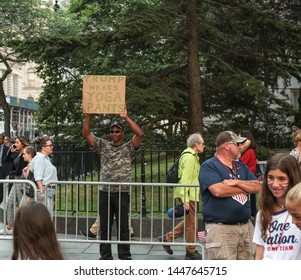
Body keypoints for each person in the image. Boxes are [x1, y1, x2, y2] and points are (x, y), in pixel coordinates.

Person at [82, 107, 143, 260]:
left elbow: (140, 134)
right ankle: (105, 256)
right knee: (105, 226)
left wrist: (126, 117)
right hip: (105, 192)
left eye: (117, 131)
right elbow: (87, 134)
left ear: (122, 132)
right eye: (112, 131)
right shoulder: (103, 145)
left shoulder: (128, 147)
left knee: (123, 226)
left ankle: (124, 255)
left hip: (122, 192)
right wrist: (88, 117)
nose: (114, 134)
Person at [199, 131, 261, 260]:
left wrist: (236, 182)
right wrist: (244, 187)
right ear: (227, 146)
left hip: (245, 227)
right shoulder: (209, 166)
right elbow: (218, 191)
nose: (240, 147)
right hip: (221, 229)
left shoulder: (240, 166)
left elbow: (257, 186)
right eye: (237, 143)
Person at [158, 133, 205, 260]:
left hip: (189, 193)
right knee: (192, 223)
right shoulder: (190, 158)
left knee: (191, 220)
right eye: (202, 143)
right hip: (187, 194)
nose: (204, 146)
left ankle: (167, 238)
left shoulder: (190, 155)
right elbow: (186, 179)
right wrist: (185, 200)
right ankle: (191, 250)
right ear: (196, 144)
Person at [253, 153, 301, 259]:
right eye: (270, 178)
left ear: (293, 178)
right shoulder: (262, 214)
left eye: (282, 179)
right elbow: (259, 254)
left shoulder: (298, 212)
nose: (275, 184)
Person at [0, 136, 29, 235]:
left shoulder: (25, 153)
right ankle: (10, 227)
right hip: (16, 181)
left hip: (22, 181)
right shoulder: (17, 154)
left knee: (22, 206)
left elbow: (26, 166)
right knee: (10, 203)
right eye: (15, 142)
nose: (15, 144)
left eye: (17, 142)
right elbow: (6, 161)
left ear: (23, 143)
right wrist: (10, 153)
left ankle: (24, 228)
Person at [31, 137, 58, 216]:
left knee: (46, 217)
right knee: (44, 218)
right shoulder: (40, 158)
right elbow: (38, 176)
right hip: (44, 190)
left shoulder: (46, 158)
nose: (52, 147)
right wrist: (42, 192)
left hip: (48, 191)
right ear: (43, 147)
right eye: (50, 145)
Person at [239, 130, 258, 218]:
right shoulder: (250, 151)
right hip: (250, 177)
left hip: (248, 177)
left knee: (251, 199)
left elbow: (241, 163)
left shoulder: (248, 152)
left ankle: (252, 213)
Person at [0, 134, 9, 205]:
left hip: (2, 170)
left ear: (3, 140)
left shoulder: (7, 149)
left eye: (0, 139)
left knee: (1, 186)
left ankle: (0, 200)